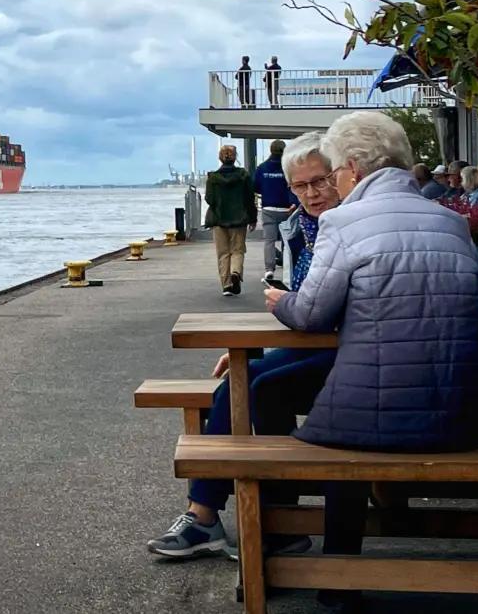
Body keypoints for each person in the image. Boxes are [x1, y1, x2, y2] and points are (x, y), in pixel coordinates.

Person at [265, 111, 478, 576]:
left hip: (373, 421)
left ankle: (305, 554)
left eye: (335, 171)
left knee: (307, 409)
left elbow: (310, 314)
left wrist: (278, 302)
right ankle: (346, 548)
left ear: (354, 168)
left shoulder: (343, 221)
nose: (336, 182)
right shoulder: (452, 222)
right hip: (464, 410)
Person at [146, 132, 340, 559]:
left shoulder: (345, 228)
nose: (312, 193)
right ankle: (223, 517)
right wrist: (256, 343)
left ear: (342, 175)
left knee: (251, 384)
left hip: (353, 354)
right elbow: (309, 309)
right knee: (243, 377)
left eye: (320, 181)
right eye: (301, 186)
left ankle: (226, 518)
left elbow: (319, 309)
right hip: (320, 343)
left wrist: (275, 320)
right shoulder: (303, 226)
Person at [205, 144, 256, 297]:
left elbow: (209, 198)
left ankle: (226, 286)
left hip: (219, 220)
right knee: (238, 250)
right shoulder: (243, 175)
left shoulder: (213, 178)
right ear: (235, 158)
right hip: (239, 220)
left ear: (220, 158)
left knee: (223, 253)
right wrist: (252, 218)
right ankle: (235, 271)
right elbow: (249, 198)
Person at [253, 139, 295, 284]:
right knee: (286, 240)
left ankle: (269, 269)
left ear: (270, 150)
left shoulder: (262, 168)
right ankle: (287, 269)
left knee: (269, 240)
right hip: (287, 209)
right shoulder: (289, 168)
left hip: (268, 208)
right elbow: (294, 185)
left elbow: (255, 186)